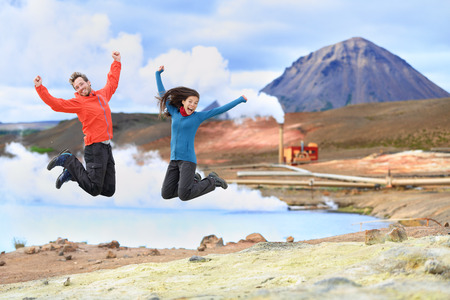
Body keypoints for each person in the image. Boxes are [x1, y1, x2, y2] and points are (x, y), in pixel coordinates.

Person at [33, 51, 122, 197]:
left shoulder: (102, 95)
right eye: (77, 87)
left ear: (88, 82)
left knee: (108, 190)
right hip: (94, 148)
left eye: (81, 84)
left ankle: (72, 174)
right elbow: (57, 104)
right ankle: (68, 160)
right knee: (94, 189)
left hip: (106, 147)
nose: (80, 88)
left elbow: (113, 81)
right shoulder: (79, 103)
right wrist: (40, 88)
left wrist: (117, 62)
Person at [156, 65, 247, 201]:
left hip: (187, 161)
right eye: (190, 102)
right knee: (166, 194)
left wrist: (240, 100)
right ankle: (194, 180)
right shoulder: (174, 112)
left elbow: (220, 110)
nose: (193, 105)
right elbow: (163, 94)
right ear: (183, 101)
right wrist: (158, 74)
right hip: (174, 160)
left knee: (184, 195)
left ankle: (212, 181)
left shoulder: (197, 117)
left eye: (196, 103)